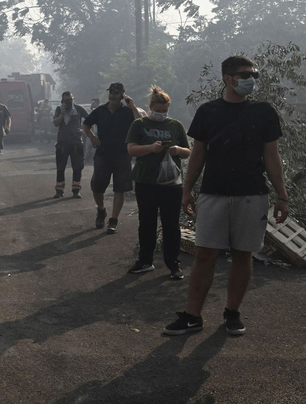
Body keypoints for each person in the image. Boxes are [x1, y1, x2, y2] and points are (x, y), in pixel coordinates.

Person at [164, 56, 288, 336]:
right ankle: (193, 315)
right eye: (244, 74)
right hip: (213, 193)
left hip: (252, 195)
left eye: (253, 74)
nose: (250, 79)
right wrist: (187, 190)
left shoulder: (264, 112)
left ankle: (232, 313)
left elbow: (272, 156)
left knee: (243, 255)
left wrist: (283, 196)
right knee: (205, 254)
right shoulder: (209, 112)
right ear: (227, 79)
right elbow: (198, 154)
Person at [125, 87, 190, 279]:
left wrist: (178, 150)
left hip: (171, 183)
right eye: (158, 110)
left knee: (171, 224)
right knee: (147, 222)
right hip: (146, 181)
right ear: (150, 107)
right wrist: (151, 148)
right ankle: (145, 260)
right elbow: (131, 150)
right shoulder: (139, 125)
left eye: (164, 111)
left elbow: (188, 152)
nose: (161, 114)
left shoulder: (176, 126)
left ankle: (173, 264)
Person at [83, 82, 141, 232]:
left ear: (122, 95)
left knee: (119, 188)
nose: (112, 95)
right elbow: (86, 125)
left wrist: (133, 107)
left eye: (116, 93)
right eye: (111, 92)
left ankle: (113, 219)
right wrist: (92, 138)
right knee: (97, 186)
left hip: (123, 154)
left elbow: (141, 124)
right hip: (103, 153)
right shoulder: (101, 110)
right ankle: (101, 210)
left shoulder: (128, 112)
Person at [52, 91, 89, 198]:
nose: (69, 102)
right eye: (66, 100)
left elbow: (90, 120)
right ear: (62, 101)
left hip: (76, 143)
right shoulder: (59, 109)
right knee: (60, 168)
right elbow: (55, 123)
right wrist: (62, 113)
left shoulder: (79, 109)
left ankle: (76, 190)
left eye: (70, 99)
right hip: (62, 143)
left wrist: (84, 130)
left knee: (77, 167)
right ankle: (59, 190)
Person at [84, 98, 100, 164]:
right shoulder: (90, 111)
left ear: (97, 103)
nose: (92, 104)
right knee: (88, 145)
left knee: (97, 146)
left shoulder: (100, 110)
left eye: (93, 103)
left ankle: (96, 159)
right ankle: (86, 158)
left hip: (98, 131)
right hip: (91, 130)